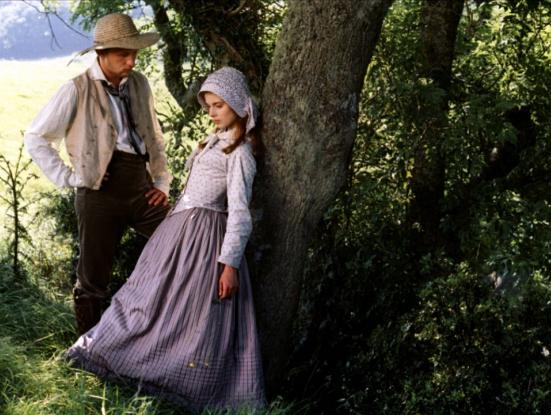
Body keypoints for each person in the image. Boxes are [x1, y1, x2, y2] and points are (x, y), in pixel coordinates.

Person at [65, 67, 266, 412]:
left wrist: (229, 264)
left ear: (237, 103)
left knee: (187, 315)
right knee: (144, 298)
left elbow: (239, 212)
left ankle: (177, 378)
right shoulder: (214, 142)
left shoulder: (240, 154)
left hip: (203, 241)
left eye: (219, 105)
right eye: (208, 106)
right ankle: (111, 353)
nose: (212, 112)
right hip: (177, 234)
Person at [23, 13, 172, 335]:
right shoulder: (76, 89)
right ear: (101, 54)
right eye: (123, 54)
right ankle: (88, 348)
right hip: (98, 193)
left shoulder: (140, 83)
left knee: (181, 240)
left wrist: (161, 182)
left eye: (134, 54)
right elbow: (36, 137)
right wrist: (68, 178)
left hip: (141, 186)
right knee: (93, 277)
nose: (131, 61)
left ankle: (159, 331)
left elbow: (154, 136)